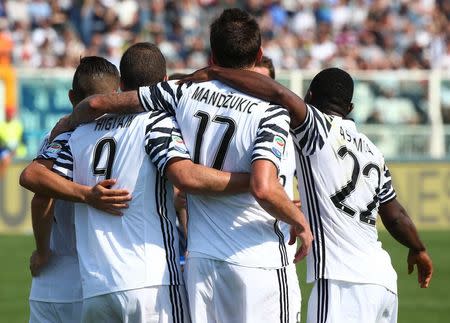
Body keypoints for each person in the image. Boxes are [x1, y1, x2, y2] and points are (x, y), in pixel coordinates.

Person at [52, 9, 313, 323]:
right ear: (259, 54)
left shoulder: (183, 91)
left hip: (202, 264)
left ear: (212, 54)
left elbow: (96, 103)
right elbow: (264, 187)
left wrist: (67, 123)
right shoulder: (271, 112)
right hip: (260, 260)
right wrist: (299, 220)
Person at [180, 66, 434, 323]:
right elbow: (396, 215)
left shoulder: (318, 129)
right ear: (351, 108)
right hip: (383, 282)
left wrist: (217, 72)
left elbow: (279, 94)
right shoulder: (372, 152)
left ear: (309, 97)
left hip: (342, 280)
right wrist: (418, 249)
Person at [22, 42, 250, 323]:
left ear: (122, 84)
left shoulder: (79, 133)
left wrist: (83, 194)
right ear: (163, 82)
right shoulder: (156, 123)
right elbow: (186, 177)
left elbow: (34, 177)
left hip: (96, 287)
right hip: (151, 282)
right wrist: (255, 182)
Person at [20, 56, 132, 323]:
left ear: (72, 97)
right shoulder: (128, 133)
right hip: (98, 277)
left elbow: (40, 197)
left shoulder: (58, 135)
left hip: (50, 281)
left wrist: (42, 251)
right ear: (117, 93)